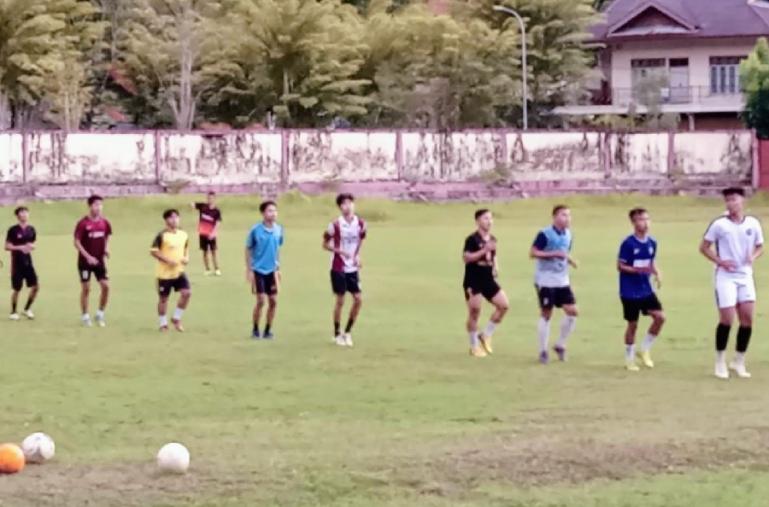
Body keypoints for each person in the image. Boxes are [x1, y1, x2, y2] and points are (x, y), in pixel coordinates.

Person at [700, 187, 763, 379]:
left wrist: (753, 256)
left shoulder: (752, 223)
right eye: (727, 200)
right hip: (725, 276)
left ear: (742, 201)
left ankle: (739, 361)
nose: (731, 203)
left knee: (747, 320)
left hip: (745, 276)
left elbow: (760, 246)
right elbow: (704, 247)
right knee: (727, 319)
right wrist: (720, 261)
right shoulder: (719, 225)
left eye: (734, 199)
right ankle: (720, 361)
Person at [617, 208, 665, 371]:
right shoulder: (628, 243)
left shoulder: (652, 243)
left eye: (647, 219)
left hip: (646, 289)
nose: (645, 223)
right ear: (633, 222)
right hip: (629, 291)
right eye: (641, 219)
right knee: (633, 324)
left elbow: (651, 262)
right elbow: (620, 266)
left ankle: (644, 349)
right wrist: (638, 271)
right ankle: (629, 358)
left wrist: (657, 272)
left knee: (660, 317)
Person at [530, 205, 578, 364]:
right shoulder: (545, 234)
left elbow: (564, 252)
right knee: (547, 313)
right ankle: (542, 350)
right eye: (564, 215)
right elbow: (533, 253)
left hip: (562, 279)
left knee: (572, 311)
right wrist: (553, 254)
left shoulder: (569, 234)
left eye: (569, 215)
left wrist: (569, 260)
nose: (568, 218)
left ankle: (560, 344)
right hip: (545, 279)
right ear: (555, 217)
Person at [462, 209, 509, 358]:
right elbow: (467, 258)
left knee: (503, 306)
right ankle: (474, 347)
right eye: (485, 218)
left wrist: (495, 266)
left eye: (490, 218)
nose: (489, 221)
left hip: (488, 278)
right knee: (474, 311)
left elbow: (493, 255)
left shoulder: (493, 239)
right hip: (473, 278)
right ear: (478, 221)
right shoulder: (472, 239)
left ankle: (486, 335)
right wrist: (483, 251)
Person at [323, 193, 366, 347]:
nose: (348, 206)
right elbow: (325, 245)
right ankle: (337, 333)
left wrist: (357, 256)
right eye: (344, 203)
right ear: (340, 207)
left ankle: (347, 332)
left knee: (358, 299)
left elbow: (360, 240)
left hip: (352, 268)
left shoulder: (360, 223)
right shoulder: (334, 225)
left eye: (350, 203)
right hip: (338, 266)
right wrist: (342, 252)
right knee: (340, 301)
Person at [245, 201, 284, 340]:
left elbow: (277, 249)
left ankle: (268, 330)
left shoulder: (279, 230)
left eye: (275, 210)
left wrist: (278, 267)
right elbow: (248, 249)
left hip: (272, 271)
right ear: (263, 213)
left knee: (273, 301)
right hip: (258, 270)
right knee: (261, 300)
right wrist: (249, 269)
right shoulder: (256, 230)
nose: (273, 213)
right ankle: (255, 329)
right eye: (269, 211)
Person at [74, 195, 112, 327]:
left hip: (99, 261)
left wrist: (107, 248)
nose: (99, 207)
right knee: (86, 289)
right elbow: (77, 242)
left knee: (106, 286)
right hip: (85, 262)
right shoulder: (83, 223)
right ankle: (85, 316)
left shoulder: (105, 222)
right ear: (90, 206)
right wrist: (88, 257)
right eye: (96, 205)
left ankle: (100, 314)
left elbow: (107, 236)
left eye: (101, 205)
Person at [150, 209, 191, 332]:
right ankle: (163, 324)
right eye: (172, 218)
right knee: (163, 299)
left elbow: (186, 249)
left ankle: (176, 318)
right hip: (164, 275)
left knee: (187, 293)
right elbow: (153, 251)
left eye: (177, 217)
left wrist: (186, 258)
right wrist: (168, 261)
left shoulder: (183, 234)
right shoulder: (161, 235)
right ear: (166, 220)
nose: (175, 220)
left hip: (179, 272)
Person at [5, 207, 39, 320]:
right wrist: (20, 247)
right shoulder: (13, 230)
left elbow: (33, 244)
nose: (24, 214)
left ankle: (27, 309)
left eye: (26, 212)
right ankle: (13, 312)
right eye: (22, 213)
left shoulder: (31, 229)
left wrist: (31, 247)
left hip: (28, 262)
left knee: (36, 287)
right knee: (17, 289)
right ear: (18, 216)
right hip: (17, 263)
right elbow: (7, 246)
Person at [192, 191, 222, 276]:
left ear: (214, 199)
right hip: (203, 233)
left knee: (213, 252)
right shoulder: (203, 206)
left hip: (211, 234)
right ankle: (207, 269)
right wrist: (192, 205)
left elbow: (218, 223)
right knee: (204, 252)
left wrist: (214, 233)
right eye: (208, 198)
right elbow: (193, 204)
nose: (210, 200)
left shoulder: (216, 211)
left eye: (211, 198)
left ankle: (217, 269)